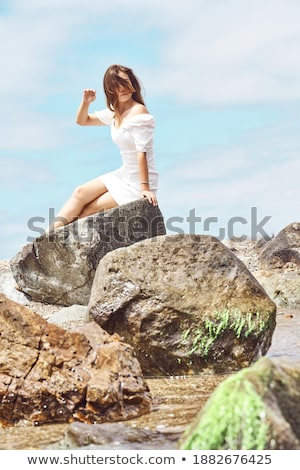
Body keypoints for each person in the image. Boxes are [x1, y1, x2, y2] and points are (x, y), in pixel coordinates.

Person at [51, 64, 158, 230]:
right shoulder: (115, 112)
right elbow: (82, 121)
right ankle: (42, 238)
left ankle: (52, 240)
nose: (122, 89)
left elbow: (141, 153)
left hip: (139, 182)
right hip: (124, 174)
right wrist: (85, 102)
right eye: (116, 85)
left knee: (89, 209)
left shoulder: (139, 112)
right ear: (110, 90)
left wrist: (145, 188)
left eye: (125, 83)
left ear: (133, 84)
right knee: (80, 192)